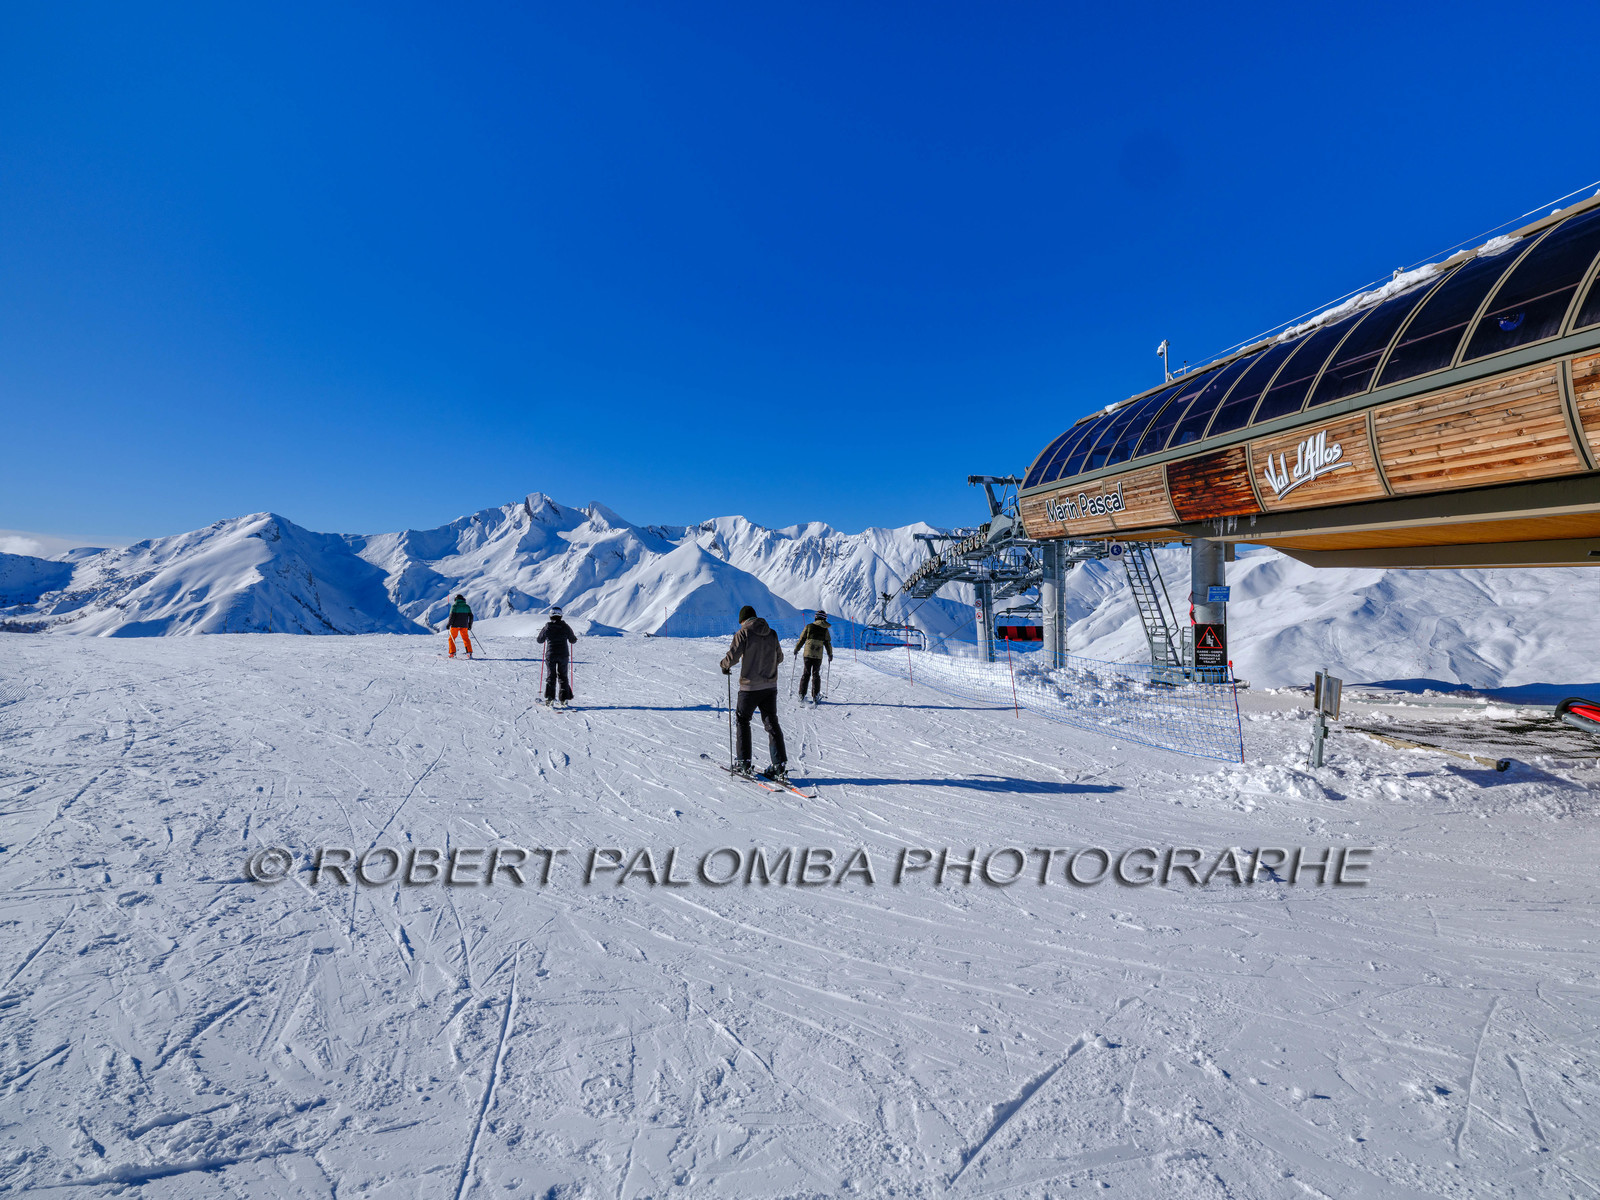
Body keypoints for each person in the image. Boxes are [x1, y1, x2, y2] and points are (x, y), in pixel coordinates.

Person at [720, 604, 788, 781]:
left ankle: (743, 762)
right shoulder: (772, 633)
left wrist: (724, 665)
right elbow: (779, 657)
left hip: (749, 688)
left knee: (743, 721)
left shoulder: (743, 633)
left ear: (743, 620)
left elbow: (733, 656)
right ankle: (779, 766)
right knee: (771, 723)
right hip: (770, 687)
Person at [536, 606, 578, 707]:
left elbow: (539, 640)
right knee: (563, 676)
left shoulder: (547, 627)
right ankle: (564, 699)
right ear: (561, 615)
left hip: (551, 655)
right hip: (563, 655)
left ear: (550, 616)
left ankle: (550, 698)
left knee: (551, 676)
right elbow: (573, 640)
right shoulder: (565, 627)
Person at [793, 610, 833, 704]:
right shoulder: (825, 629)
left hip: (807, 654)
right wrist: (830, 654)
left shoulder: (809, 626)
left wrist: (796, 649)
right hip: (818, 655)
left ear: (816, 617)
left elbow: (802, 639)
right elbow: (827, 643)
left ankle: (801, 695)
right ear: (824, 618)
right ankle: (815, 696)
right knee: (816, 674)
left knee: (806, 673)